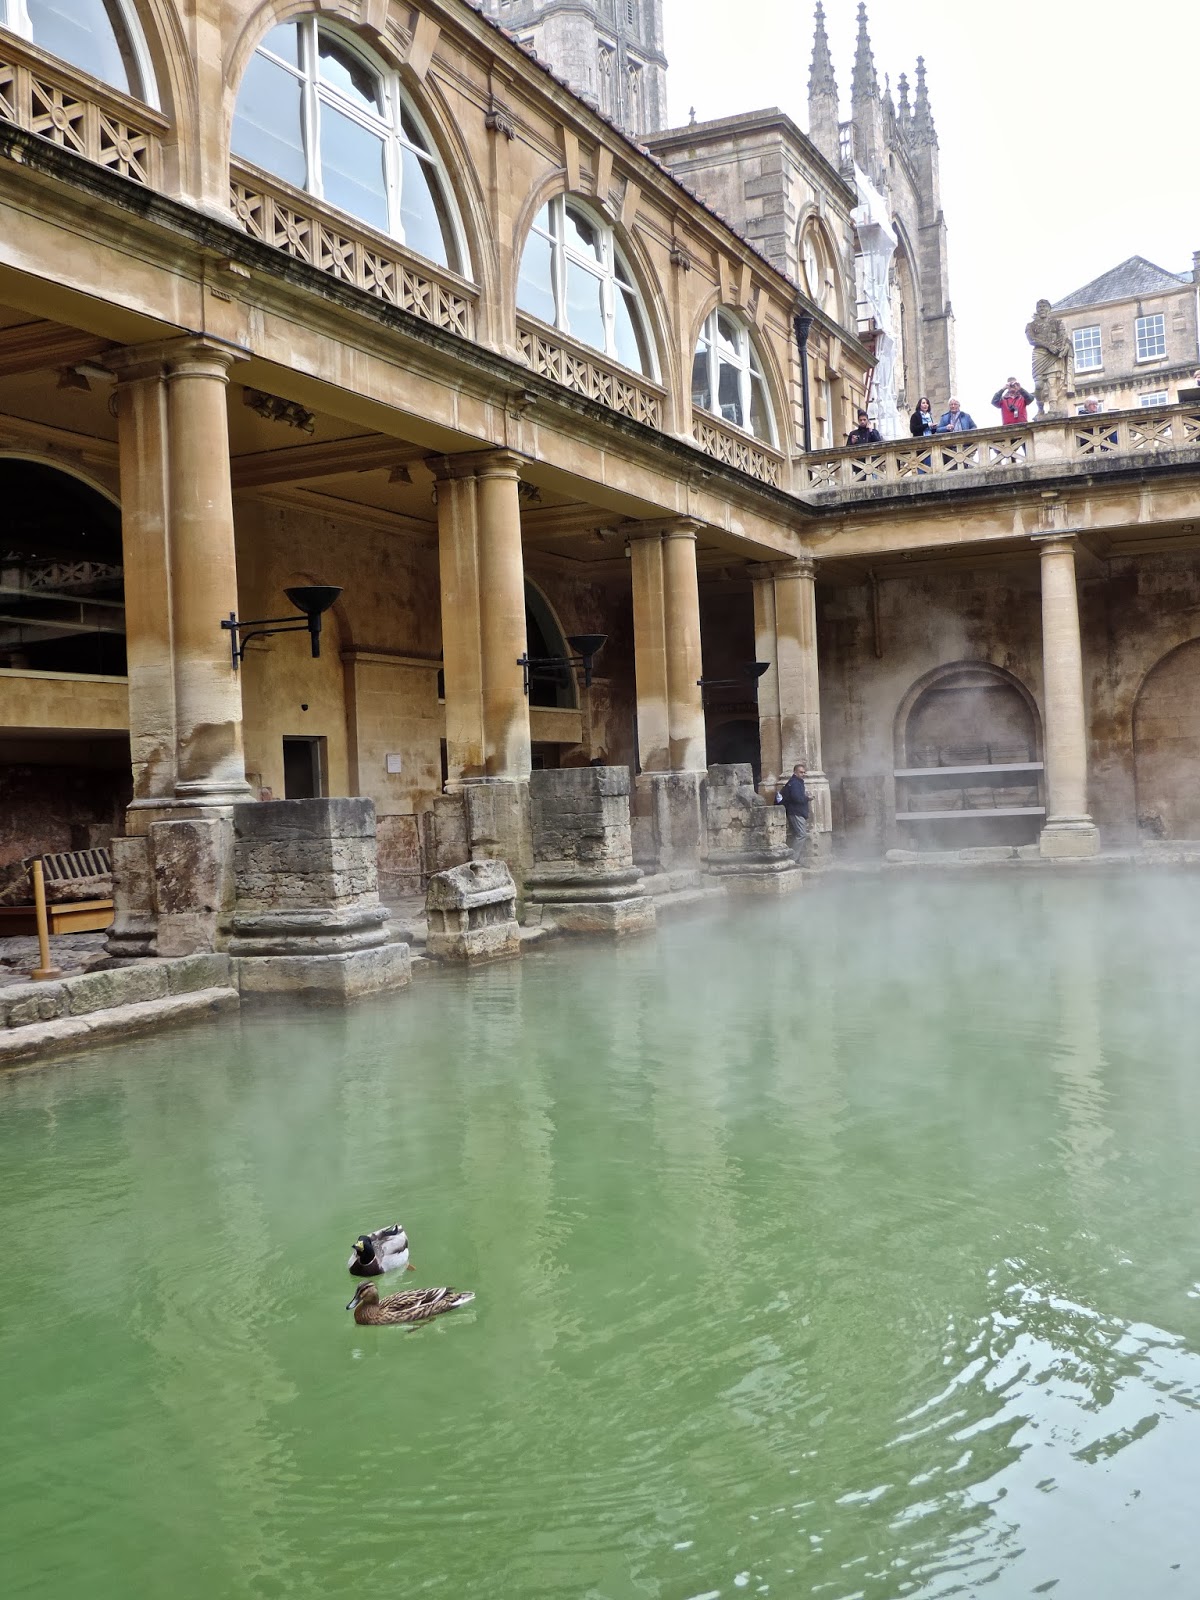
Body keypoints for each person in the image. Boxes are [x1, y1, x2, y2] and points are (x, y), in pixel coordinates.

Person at [1025, 297, 1071, 417]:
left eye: (1044, 307)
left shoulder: (1057, 323)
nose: (1042, 309)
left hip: (1053, 355)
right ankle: (1040, 409)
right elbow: (1032, 340)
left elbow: (1063, 337)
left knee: (1052, 383)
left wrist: (1061, 347)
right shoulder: (1031, 325)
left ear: (1049, 309)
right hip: (1039, 354)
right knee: (1039, 385)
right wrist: (1049, 346)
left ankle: (1053, 409)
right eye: (1039, 307)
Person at [775, 763, 811, 857]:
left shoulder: (795, 782)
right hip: (796, 812)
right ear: (795, 772)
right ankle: (793, 858)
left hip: (795, 811)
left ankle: (796, 858)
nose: (803, 774)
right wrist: (807, 798)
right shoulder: (795, 783)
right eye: (801, 772)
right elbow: (796, 798)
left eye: (804, 772)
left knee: (797, 835)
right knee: (801, 834)